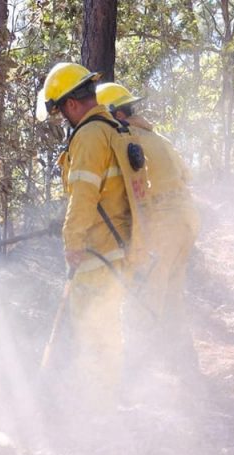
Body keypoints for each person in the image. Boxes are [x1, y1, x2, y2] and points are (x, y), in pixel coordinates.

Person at [36, 63, 133, 414]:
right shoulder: (113, 129)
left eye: (61, 111)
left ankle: (97, 410)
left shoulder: (90, 136)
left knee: (93, 332)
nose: (63, 119)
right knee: (107, 330)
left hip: (96, 253)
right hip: (116, 250)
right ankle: (107, 400)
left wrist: (72, 242)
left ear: (72, 104)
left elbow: (83, 196)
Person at [96, 82, 202, 381]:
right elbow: (187, 175)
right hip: (186, 221)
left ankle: (135, 381)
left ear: (117, 114)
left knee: (142, 301)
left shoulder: (125, 140)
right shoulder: (158, 138)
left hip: (160, 225)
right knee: (171, 297)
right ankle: (188, 370)